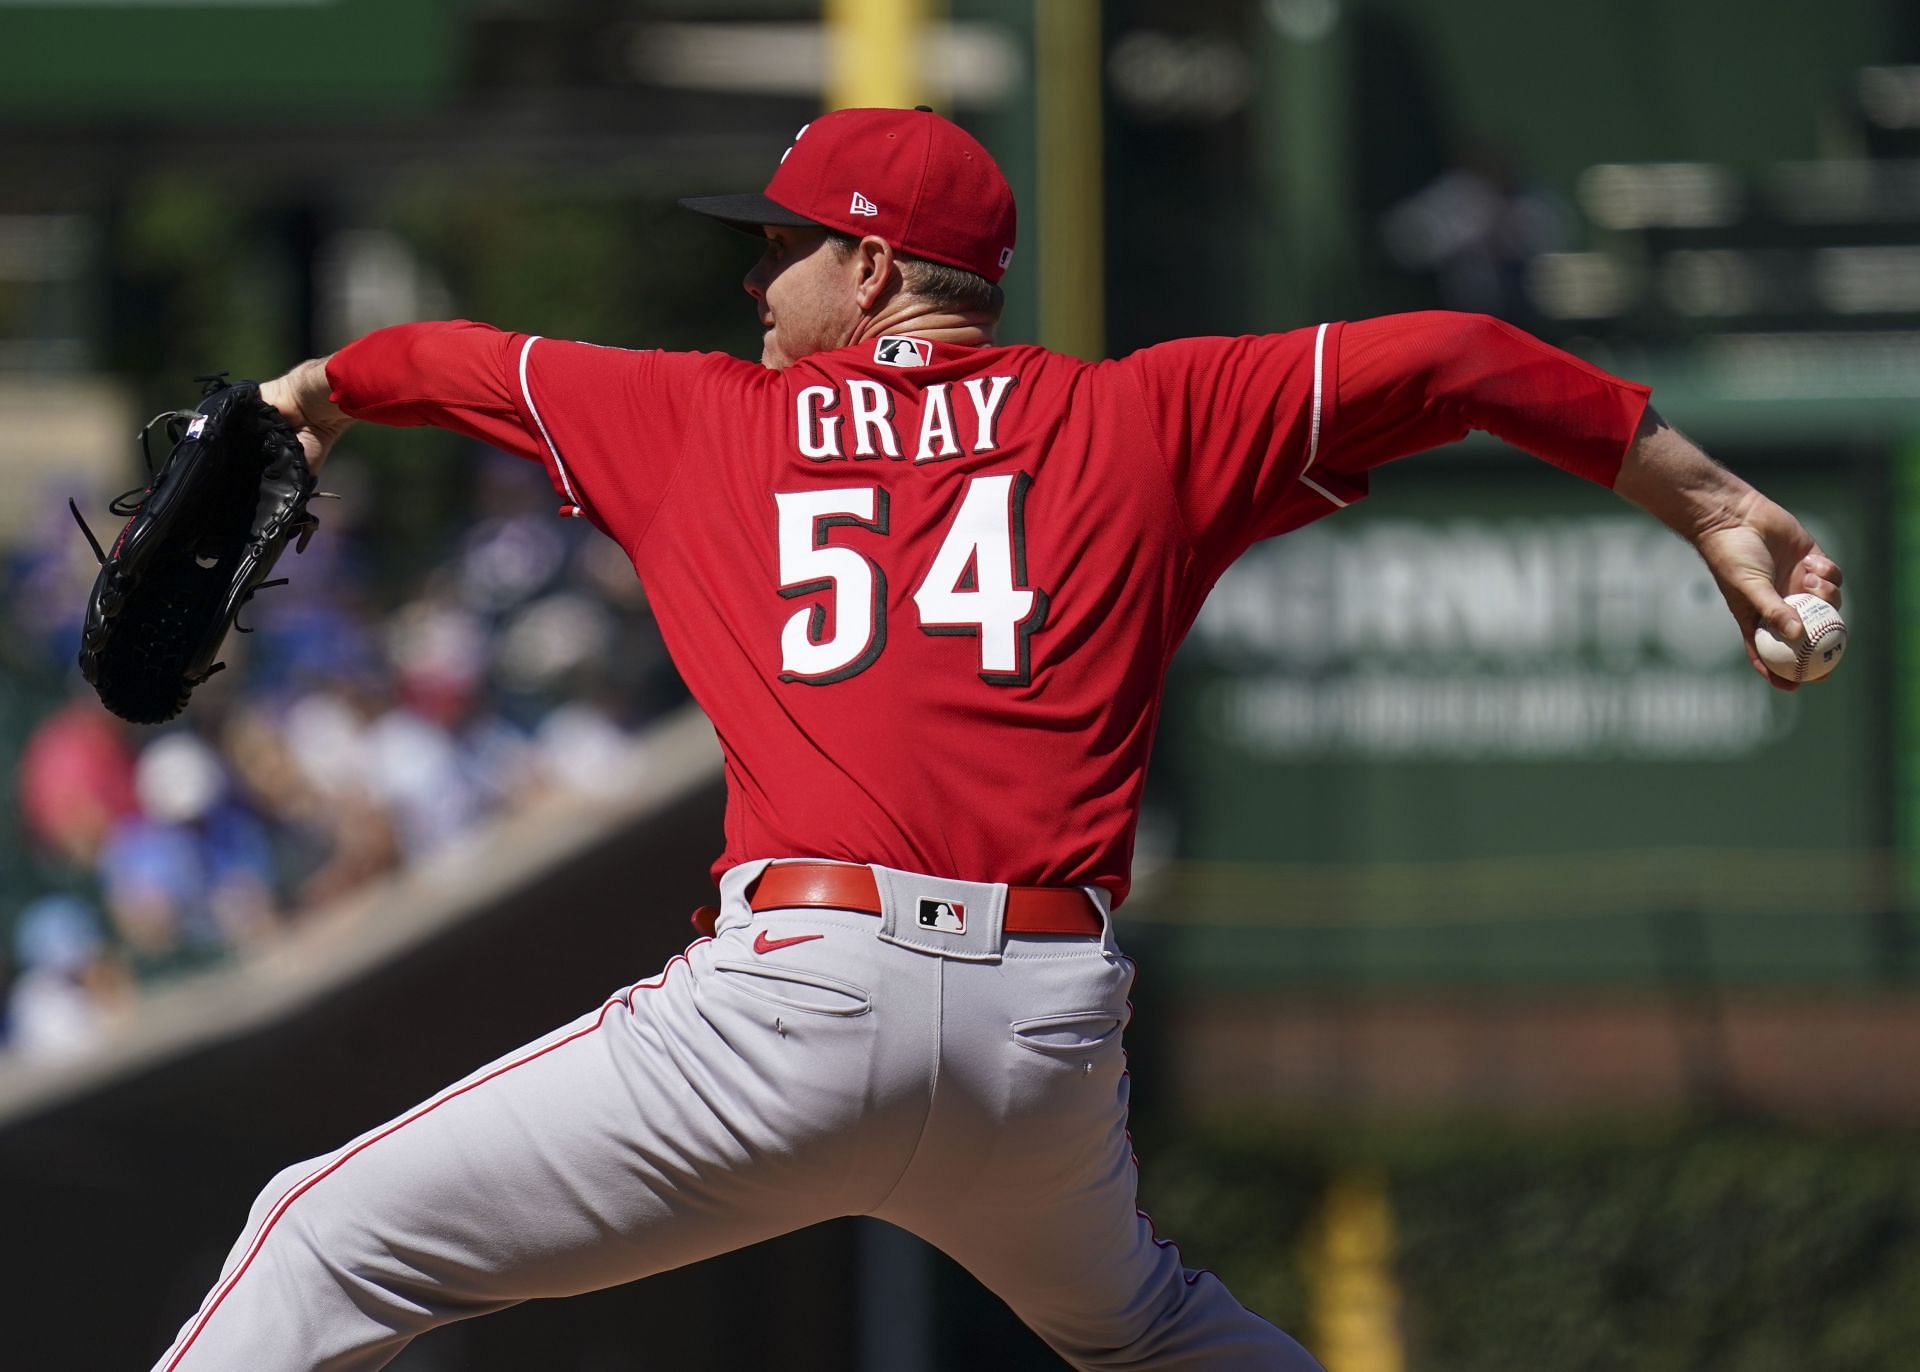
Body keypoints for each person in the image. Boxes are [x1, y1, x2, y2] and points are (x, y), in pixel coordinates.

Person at [152, 107, 1843, 1371]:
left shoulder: (692, 417)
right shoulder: (1145, 419)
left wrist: (302, 395)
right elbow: (1468, 357)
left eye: (785, 244)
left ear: (872, 267)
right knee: (1148, 1331)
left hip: (787, 1017)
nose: (756, 274)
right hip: (1042, 1042)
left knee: (322, 1240)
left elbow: (443, 357)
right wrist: (1706, 505)